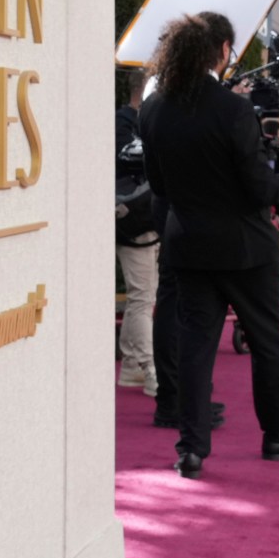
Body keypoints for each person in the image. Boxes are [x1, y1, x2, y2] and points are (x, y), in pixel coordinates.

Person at [138, 12, 279, 478]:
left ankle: (191, 448)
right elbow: (261, 190)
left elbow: (159, 186)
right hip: (246, 250)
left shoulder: (153, 108)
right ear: (223, 51)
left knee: (195, 346)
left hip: (188, 246)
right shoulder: (233, 109)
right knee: (267, 342)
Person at [114, 79, 162, 398]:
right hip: (134, 221)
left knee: (141, 297)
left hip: (139, 219)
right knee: (143, 297)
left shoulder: (133, 121)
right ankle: (150, 370)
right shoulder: (125, 124)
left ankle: (132, 365)